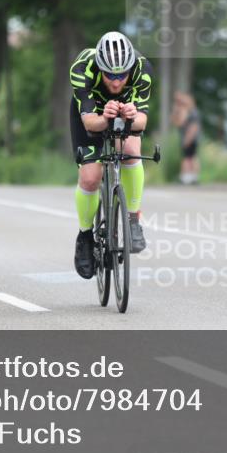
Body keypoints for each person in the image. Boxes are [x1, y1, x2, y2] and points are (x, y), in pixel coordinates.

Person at [69, 31, 153, 279]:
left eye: (121, 75)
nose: (116, 83)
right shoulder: (82, 67)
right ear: (100, 68)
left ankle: (133, 222)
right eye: (109, 75)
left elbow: (142, 122)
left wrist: (130, 116)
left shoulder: (142, 68)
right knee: (90, 178)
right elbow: (90, 125)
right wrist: (105, 116)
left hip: (125, 111)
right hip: (91, 115)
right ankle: (85, 236)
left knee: (129, 151)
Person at [171, 91, 200, 185]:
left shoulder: (192, 112)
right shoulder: (187, 111)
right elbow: (176, 122)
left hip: (190, 138)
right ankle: (190, 177)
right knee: (190, 157)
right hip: (188, 137)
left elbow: (194, 127)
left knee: (189, 158)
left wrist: (187, 139)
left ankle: (189, 177)